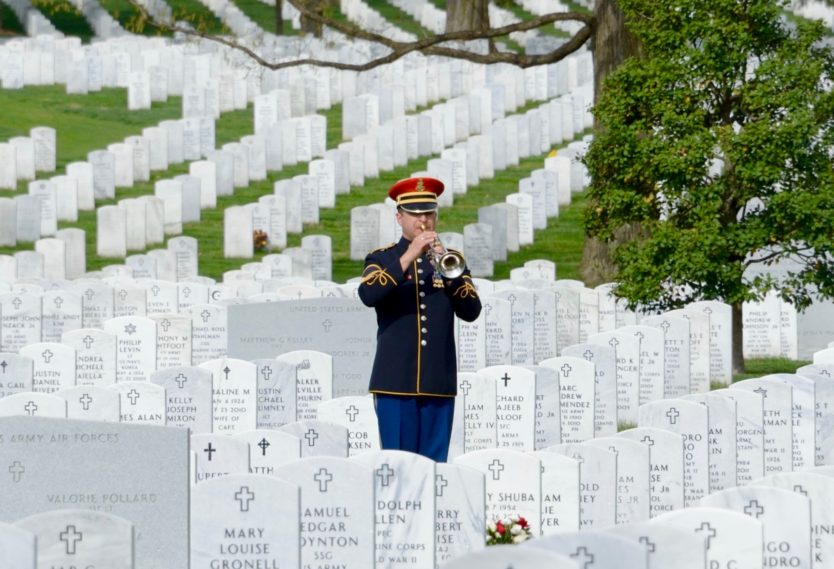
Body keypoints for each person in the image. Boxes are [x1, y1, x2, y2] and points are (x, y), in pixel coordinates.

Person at [358, 176, 482, 462]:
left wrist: (447, 268)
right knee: (399, 467)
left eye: (428, 213)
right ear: (399, 217)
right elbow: (368, 294)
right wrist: (410, 256)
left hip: (438, 382)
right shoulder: (382, 258)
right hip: (394, 383)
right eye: (415, 214)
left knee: (435, 468)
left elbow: (471, 311)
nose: (423, 220)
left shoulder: (451, 260)